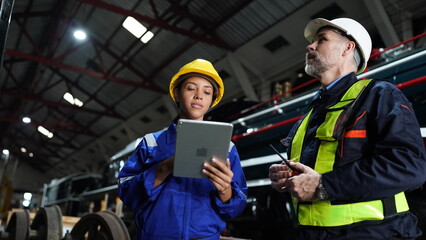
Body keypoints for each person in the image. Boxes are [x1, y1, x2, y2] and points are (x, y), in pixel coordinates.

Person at [268, 17, 426, 239]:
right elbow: (315, 174)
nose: (310, 46)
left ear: (348, 47)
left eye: (321, 39)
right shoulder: (309, 116)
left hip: (376, 233)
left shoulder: (379, 95)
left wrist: (324, 186)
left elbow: (409, 166)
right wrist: (290, 177)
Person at [118, 59, 248, 240]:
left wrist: (225, 189)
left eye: (207, 92)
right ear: (177, 94)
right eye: (191, 88)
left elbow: (236, 207)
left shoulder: (227, 148)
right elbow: (127, 194)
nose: (199, 96)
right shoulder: (152, 143)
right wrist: (162, 168)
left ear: (212, 100)